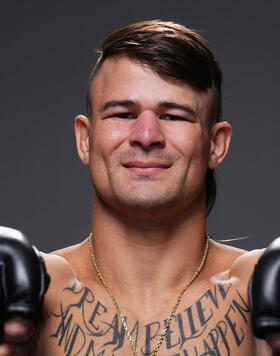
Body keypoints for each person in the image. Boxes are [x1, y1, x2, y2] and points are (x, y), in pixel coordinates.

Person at [0, 20, 278, 356]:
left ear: (216, 145)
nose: (146, 136)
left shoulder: (255, 292)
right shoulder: (36, 296)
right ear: (85, 140)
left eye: (174, 116)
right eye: (122, 114)